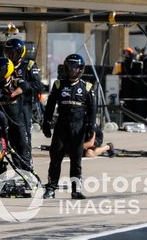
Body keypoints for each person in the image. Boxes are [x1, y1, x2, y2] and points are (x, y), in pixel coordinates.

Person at [42, 54, 96, 200]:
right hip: (61, 126)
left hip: (78, 128)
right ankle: (51, 188)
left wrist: (91, 126)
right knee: (55, 158)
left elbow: (92, 109)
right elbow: (50, 106)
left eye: (75, 67)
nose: (72, 70)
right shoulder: (59, 85)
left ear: (80, 69)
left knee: (76, 160)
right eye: (70, 67)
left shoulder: (87, 86)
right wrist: (46, 122)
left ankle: (76, 189)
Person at [3, 38, 42, 169]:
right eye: (8, 52)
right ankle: (17, 168)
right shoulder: (4, 65)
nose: (10, 56)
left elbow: (37, 85)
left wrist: (21, 87)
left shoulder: (29, 65)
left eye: (13, 53)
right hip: (6, 106)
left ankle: (27, 169)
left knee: (23, 140)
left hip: (23, 107)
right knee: (11, 140)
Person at [0, 57, 32, 172]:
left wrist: (13, 94)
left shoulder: (15, 81)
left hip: (18, 123)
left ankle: (28, 174)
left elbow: (26, 86)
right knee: (2, 150)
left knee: (23, 149)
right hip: (2, 125)